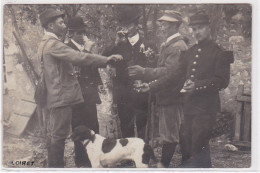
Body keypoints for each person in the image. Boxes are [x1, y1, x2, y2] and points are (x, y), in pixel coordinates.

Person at [38, 8, 122, 168]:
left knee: (54, 135)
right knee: (58, 136)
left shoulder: (44, 43)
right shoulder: (53, 44)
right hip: (60, 97)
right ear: (50, 26)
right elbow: (79, 57)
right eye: (61, 23)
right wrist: (106, 59)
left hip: (54, 96)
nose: (64, 26)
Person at [128, 11, 188, 168]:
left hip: (171, 96)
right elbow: (165, 68)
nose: (162, 27)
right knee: (171, 131)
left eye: (165, 24)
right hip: (166, 94)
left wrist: (145, 72)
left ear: (175, 25)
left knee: (170, 134)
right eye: (161, 23)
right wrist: (153, 60)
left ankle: (164, 165)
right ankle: (180, 163)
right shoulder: (169, 44)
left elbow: (171, 72)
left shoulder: (177, 46)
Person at [178, 11, 234, 168]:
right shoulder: (190, 52)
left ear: (208, 28)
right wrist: (152, 83)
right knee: (186, 145)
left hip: (206, 108)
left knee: (198, 144)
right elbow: (176, 76)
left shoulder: (219, 52)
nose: (197, 32)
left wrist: (197, 85)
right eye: (194, 29)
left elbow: (222, 81)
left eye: (200, 28)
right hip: (189, 106)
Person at [103, 5, 156, 139]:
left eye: (129, 25)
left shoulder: (148, 44)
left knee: (143, 126)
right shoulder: (118, 45)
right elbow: (104, 58)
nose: (125, 28)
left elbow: (155, 67)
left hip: (142, 93)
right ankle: (127, 157)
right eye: (123, 25)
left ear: (136, 25)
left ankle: (143, 155)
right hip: (123, 94)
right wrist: (116, 43)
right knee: (126, 127)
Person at [66, 16, 102, 167]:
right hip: (77, 96)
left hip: (90, 93)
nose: (82, 36)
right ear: (70, 34)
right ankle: (82, 161)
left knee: (93, 126)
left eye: (83, 32)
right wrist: (87, 50)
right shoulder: (67, 48)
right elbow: (77, 67)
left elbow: (92, 64)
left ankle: (96, 158)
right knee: (79, 128)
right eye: (78, 33)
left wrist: (99, 83)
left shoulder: (83, 48)